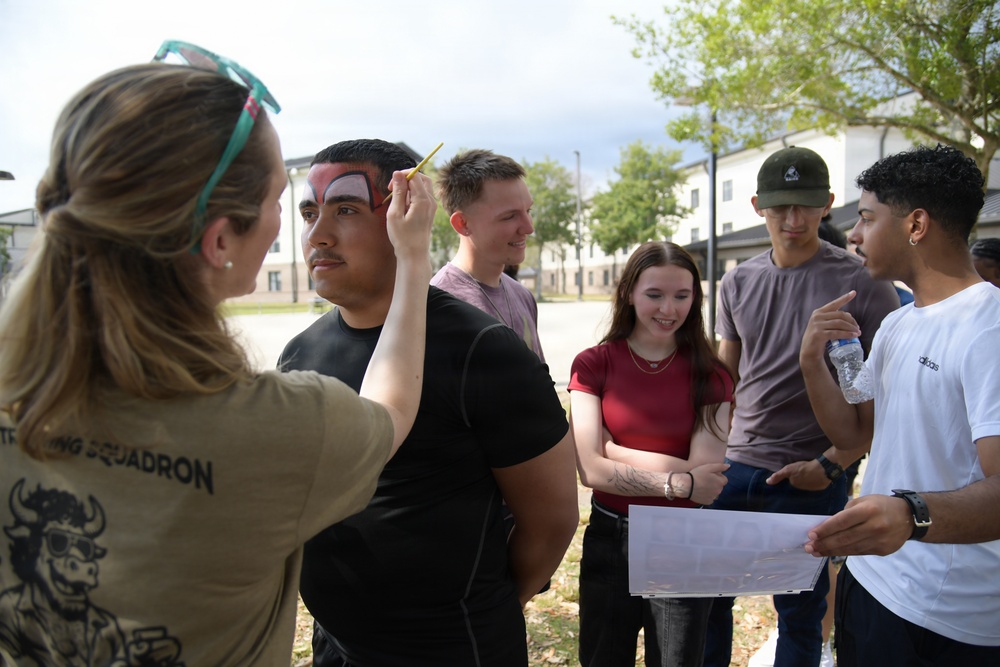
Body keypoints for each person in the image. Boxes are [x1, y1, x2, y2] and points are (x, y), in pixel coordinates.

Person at [0, 43, 435, 667]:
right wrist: (415, 260)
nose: (306, 232)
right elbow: (389, 406)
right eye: (280, 204)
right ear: (221, 237)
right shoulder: (280, 427)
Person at [278, 139, 579, 666]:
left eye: (345, 209)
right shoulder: (301, 351)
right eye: (309, 213)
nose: (317, 235)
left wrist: (491, 603)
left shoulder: (482, 350)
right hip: (336, 648)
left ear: (404, 212)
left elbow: (552, 519)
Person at [800, 144, 1000, 665]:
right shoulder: (898, 322)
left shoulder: (989, 327)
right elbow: (854, 434)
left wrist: (913, 515)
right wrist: (809, 358)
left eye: (866, 217)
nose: (854, 235)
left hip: (946, 615)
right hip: (870, 580)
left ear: (916, 224)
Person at [703, 146, 900, 667]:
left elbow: (871, 397)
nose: (793, 219)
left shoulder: (862, 284)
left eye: (806, 206)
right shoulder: (737, 281)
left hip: (810, 473)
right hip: (734, 468)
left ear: (828, 205)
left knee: (800, 617)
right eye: (780, 207)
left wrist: (832, 464)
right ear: (757, 206)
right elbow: (729, 380)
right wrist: (710, 457)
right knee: (705, 603)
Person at [569, 241, 733, 667]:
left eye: (682, 295)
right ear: (628, 292)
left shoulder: (711, 374)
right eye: (655, 294)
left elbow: (706, 486)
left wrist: (613, 450)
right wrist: (679, 481)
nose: (669, 308)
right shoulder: (593, 365)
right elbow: (591, 471)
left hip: (680, 539)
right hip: (610, 536)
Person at [431, 149, 545, 359]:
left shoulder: (523, 296)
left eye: (528, 211)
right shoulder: (439, 306)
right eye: (510, 216)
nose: (529, 228)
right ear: (462, 223)